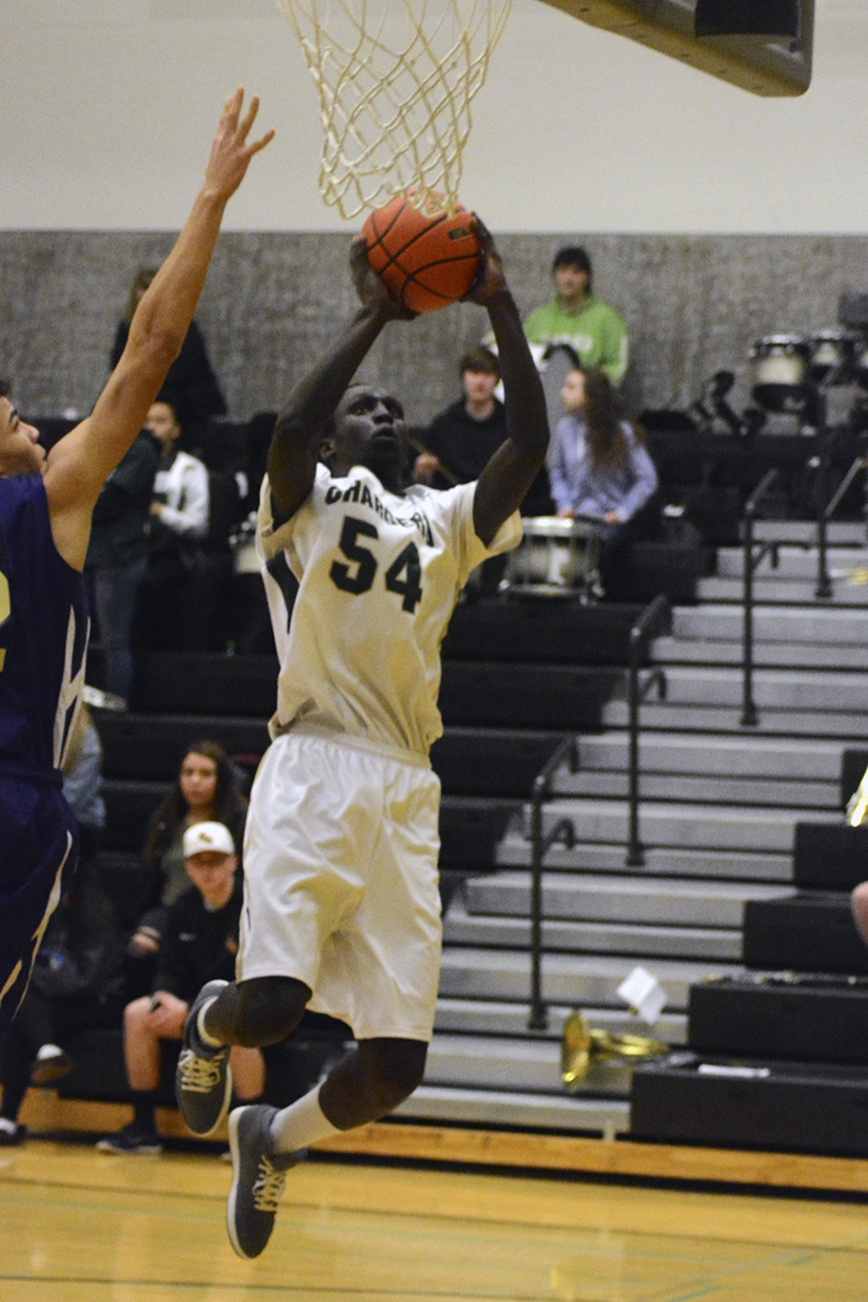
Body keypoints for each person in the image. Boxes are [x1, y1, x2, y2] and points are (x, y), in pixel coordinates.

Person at [173, 223, 548, 1259]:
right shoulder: (296, 503)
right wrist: (377, 312)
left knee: (394, 1067)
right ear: (337, 439)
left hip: (403, 788)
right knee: (273, 1008)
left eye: (391, 409)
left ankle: (272, 1136)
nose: (380, 414)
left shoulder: (442, 518)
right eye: (364, 409)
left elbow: (527, 447)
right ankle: (212, 1024)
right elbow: (290, 427)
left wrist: (501, 305)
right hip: (310, 762)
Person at [0, 88, 274, 1033]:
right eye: (11, 416)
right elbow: (151, 346)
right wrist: (209, 198)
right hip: (14, 803)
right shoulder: (48, 502)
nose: (30, 421)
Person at [97, 822, 264, 1154]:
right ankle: (144, 1128)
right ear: (188, 867)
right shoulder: (183, 907)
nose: (208, 870)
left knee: (238, 1028)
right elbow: (168, 968)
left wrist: (188, 1008)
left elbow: (247, 978)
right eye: (199, 862)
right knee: (137, 1014)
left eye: (216, 861)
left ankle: (252, 1135)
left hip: (248, 1003)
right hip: (194, 1005)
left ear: (234, 862)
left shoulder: (252, 908)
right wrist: (163, 997)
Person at [126, 740, 249, 997]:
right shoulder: (166, 819)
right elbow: (152, 873)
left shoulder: (240, 818)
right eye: (188, 772)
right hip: (171, 907)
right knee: (140, 948)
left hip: (222, 907)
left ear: (221, 778)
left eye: (205, 774)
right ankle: (152, 1009)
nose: (195, 780)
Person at [550, 366, 659, 591]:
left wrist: (623, 511)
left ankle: (595, 589)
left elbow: (647, 479)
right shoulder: (564, 429)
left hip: (609, 517)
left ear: (590, 395)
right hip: (577, 513)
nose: (563, 393)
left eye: (571, 388)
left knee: (605, 542)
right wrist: (565, 504)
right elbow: (557, 472)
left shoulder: (622, 432)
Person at [84, 423, 161, 709]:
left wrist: (82, 497)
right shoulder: (114, 444)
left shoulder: (139, 449)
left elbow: (112, 501)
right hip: (99, 555)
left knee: (115, 640)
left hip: (119, 556)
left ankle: (117, 703)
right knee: (103, 638)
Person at [111, 269, 228, 447]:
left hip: (180, 395)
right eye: (144, 288)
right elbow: (119, 366)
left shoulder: (184, 327)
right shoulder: (128, 328)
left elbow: (191, 370)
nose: (149, 295)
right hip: (142, 393)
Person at [133, 397, 213, 651]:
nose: (151, 427)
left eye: (160, 421)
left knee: (151, 584)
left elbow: (199, 525)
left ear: (176, 430)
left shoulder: (190, 468)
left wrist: (160, 512)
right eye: (146, 421)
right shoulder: (129, 464)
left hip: (173, 555)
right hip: (130, 552)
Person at [524, 245, 630, 388]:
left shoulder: (608, 319)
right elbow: (521, 362)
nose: (568, 278)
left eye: (576, 272)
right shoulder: (538, 318)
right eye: (563, 271)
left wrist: (587, 389)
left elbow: (618, 367)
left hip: (590, 405)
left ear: (588, 277)